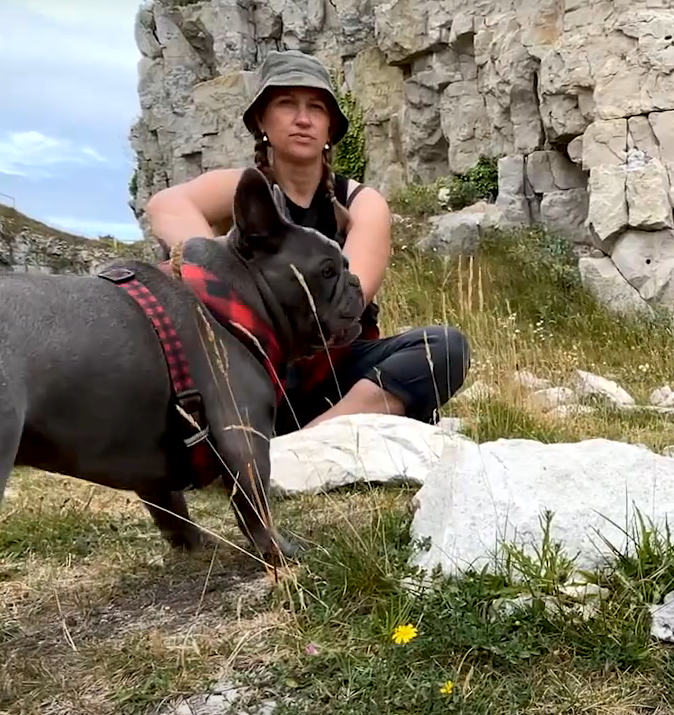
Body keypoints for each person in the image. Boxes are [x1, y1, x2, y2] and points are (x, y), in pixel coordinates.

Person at [142, 49, 470, 436]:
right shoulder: (246, 189)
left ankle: (310, 438)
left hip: (333, 368)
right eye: (286, 104)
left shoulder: (359, 202)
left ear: (330, 127)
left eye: (316, 107)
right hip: (254, 364)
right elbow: (166, 205)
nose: (302, 119)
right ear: (262, 120)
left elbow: (351, 299)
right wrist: (214, 279)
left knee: (444, 349)